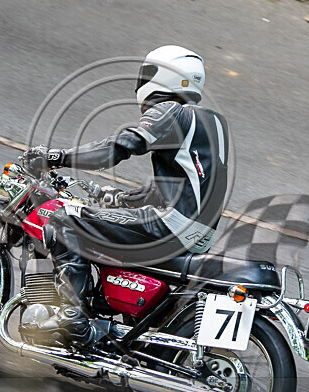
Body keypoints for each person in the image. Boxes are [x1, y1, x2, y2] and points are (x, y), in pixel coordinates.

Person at [20, 45, 229, 346]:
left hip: (169, 226)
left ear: (166, 77)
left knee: (63, 218)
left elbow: (117, 147)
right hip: (197, 232)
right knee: (98, 226)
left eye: (148, 73)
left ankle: (71, 320)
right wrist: (119, 199)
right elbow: (177, 186)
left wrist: (56, 156)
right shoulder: (211, 121)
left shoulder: (169, 110)